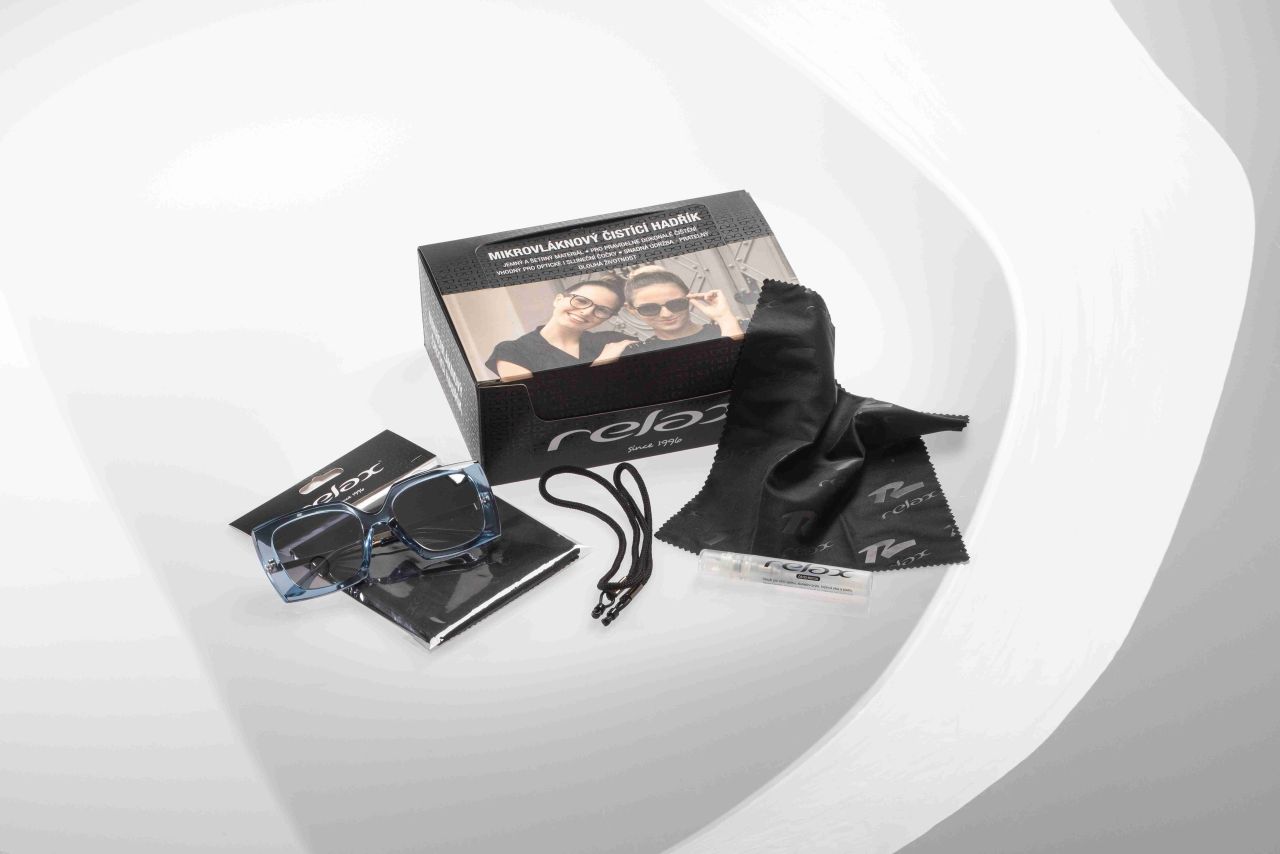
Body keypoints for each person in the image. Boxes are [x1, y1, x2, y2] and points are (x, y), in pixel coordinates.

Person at [484, 274, 635, 381]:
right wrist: (601, 365)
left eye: (602, 310)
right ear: (558, 300)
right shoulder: (512, 351)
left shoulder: (615, 341)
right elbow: (539, 402)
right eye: (581, 301)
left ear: (608, 317)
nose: (587, 312)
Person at [594, 266, 744, 363]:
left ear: (689, 297)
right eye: (649, 308)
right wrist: (602, 364)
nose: (666, 314)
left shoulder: (737, 328)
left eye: (676, 304)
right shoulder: (631, 354)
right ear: (632, 310)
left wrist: (725, 319)